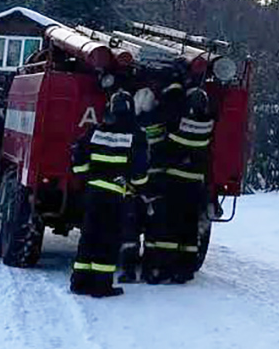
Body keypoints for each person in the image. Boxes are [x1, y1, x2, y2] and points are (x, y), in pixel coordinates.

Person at [70, 89, 148, 298]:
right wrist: (138, 187)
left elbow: (78, 155)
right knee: (107, 241)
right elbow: (140, 172)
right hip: (115, 197)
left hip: (93, 193)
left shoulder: (97, 130)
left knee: (88, 237)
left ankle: (79, 282)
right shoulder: (136, 135)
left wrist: (87, 176)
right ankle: (101, 286)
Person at [146, 86, 215, 285]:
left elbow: (165, 144)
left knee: (168, 226)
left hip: (174, 182)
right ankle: (184, 270)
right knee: (188, 229)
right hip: (195, 186)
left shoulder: (180, 124)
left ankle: (164, 268)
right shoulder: (207, 125)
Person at [118, 86, 162, 284]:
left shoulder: (133, 127)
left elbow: (136, 161)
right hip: (159, 185)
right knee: (155, 232)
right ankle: (151, 271)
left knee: (130, 231)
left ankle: (128, 270)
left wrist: (137, 187)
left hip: (136, 188)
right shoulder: (160, 123)